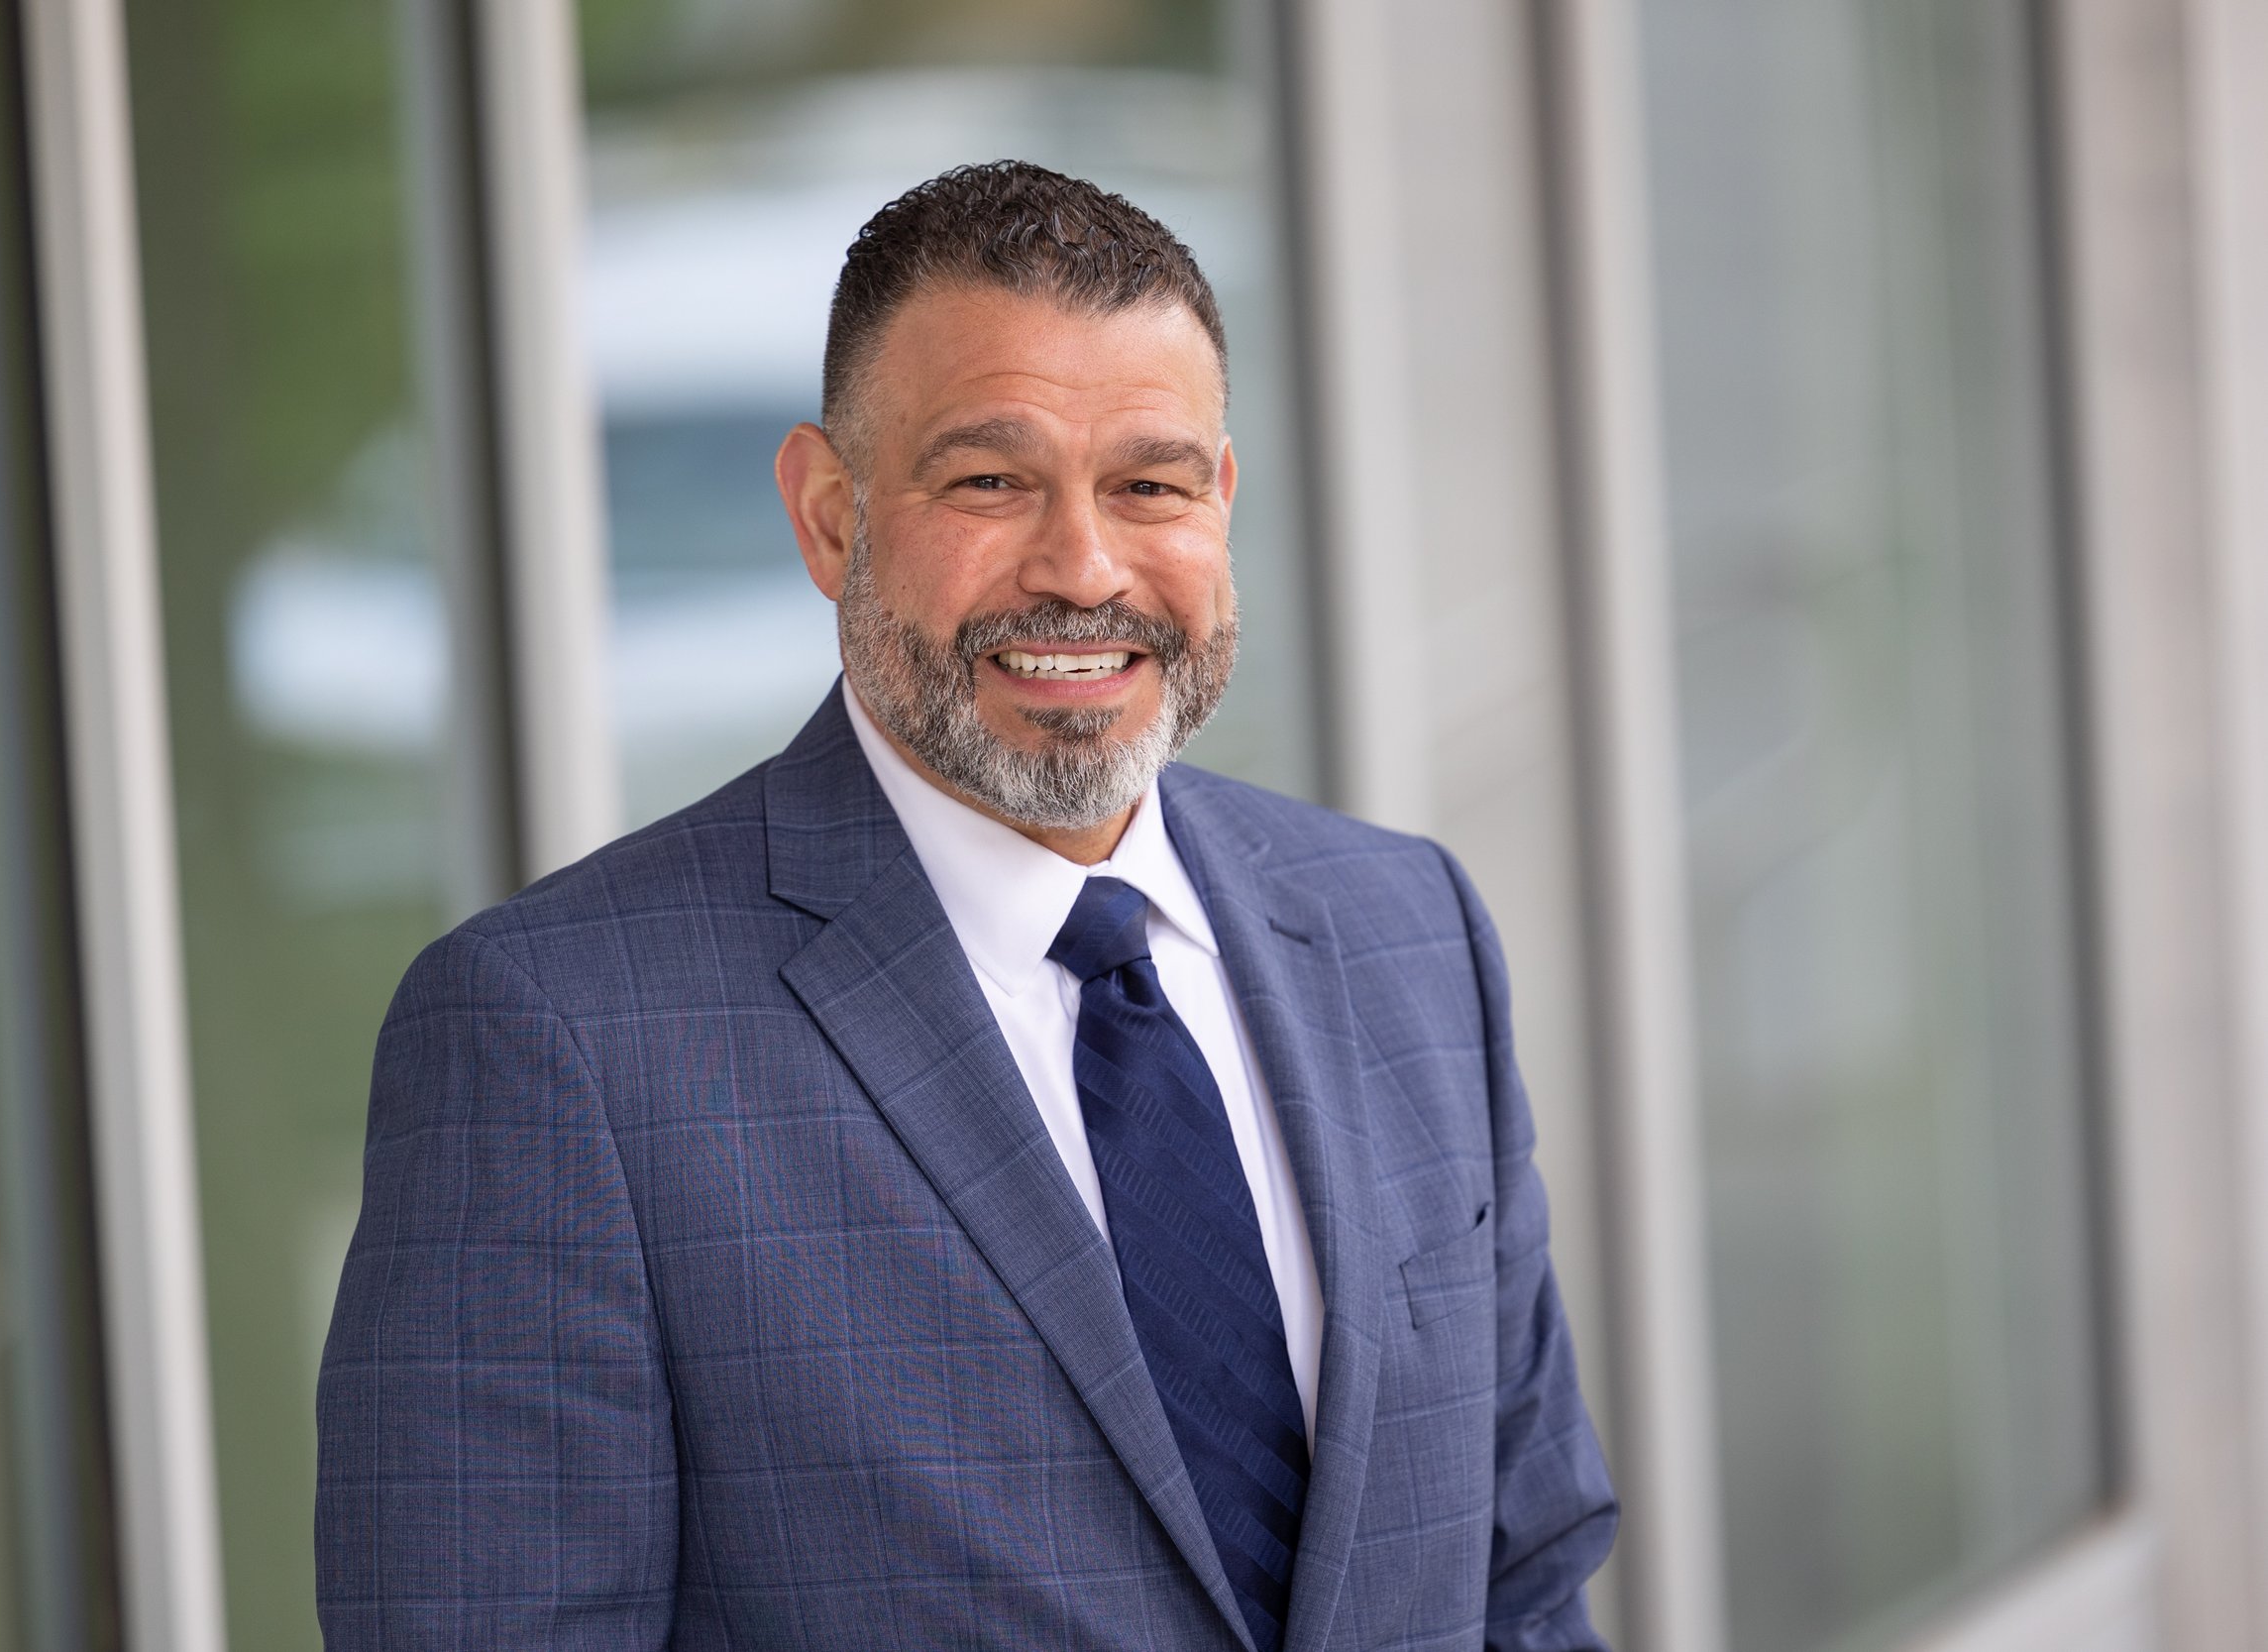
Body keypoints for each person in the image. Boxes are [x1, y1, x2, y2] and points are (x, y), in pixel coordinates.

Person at [316, 161, 1616, 1651]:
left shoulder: (1410, 930)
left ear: (1222, 499)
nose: (1083, 567)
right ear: (827, 516)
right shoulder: (556, 1041)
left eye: (1150, 482)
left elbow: (1523, 1581)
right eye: (990, 481)